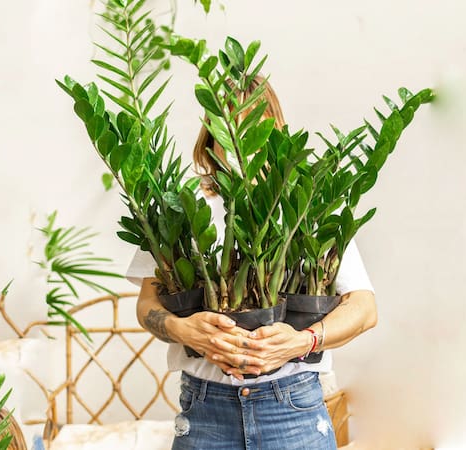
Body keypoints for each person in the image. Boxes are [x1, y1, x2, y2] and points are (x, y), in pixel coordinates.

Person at [127, 76, 378, 450]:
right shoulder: (178, 205)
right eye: (229, 126)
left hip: (291, 406)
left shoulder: (308, 204)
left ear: (274, 130)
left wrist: (303, 340)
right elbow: (147, 303)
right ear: (210, 132)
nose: (239, 138)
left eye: (251, 125)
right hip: (205, 409)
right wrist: (184, 330)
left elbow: (365, 308)